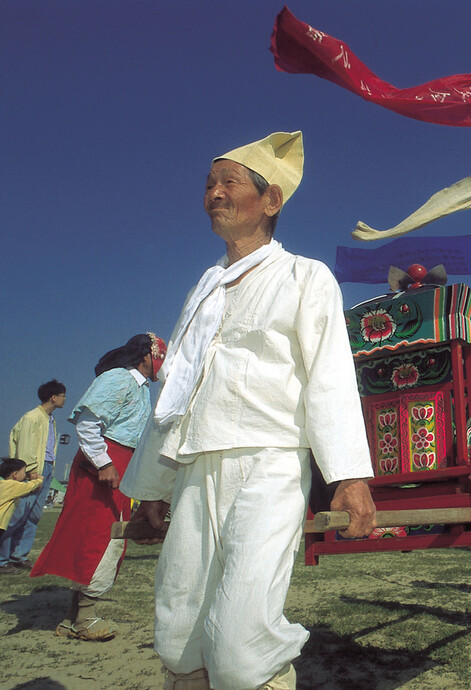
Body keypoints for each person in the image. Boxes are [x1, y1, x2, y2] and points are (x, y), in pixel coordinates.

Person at [119, 132, 377, 690]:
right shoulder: (204, 289)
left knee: (239, 645)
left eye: (228, 182)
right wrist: (151, 491)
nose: (214, 193)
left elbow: (329, 376)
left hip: (269, 461)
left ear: (271, 200)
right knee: (179, 631)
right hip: (193, 466)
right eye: (209, 184)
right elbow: (176, 392)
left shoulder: (305, 277)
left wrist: (350, 476)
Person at [31, 334, 166, 641]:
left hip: (119, 464)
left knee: (102, 535)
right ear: (146, 355)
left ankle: (73, 616)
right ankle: (85, 618)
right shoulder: (119, 379)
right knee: (102, 537)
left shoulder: (140, 388)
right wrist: (104, 463)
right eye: (161, 356)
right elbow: (88, 422)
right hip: (103, 465)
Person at [2, 380, 67, 572]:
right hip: (33, 470)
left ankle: (19, 555)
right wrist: (30, 470)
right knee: (18, 514)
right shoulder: (32, 418)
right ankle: (2, 559)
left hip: (46, 468)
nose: (65, 399)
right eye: (63, 396)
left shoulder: (50, 419)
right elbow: (26, 446)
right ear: (53, 397)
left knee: (33, 515)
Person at [0, 458, 45, 540]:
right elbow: (28, 486)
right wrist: (39, 480)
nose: (25, 475)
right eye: (24, 472)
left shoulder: (3, 484)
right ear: (15, 474)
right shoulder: (12, 485)